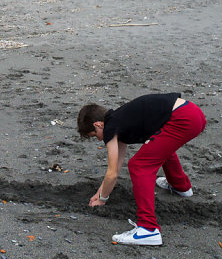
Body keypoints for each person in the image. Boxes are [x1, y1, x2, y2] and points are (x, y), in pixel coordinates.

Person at [77, 93, 206, 246]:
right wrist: (99, 193)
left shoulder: (111, 127)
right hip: (192, 113)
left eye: (95, 135)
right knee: (157, 149)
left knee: (139, 165)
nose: (99, 139)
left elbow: (111, 174)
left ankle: (148, 229)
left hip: (183, 117)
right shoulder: (119, 120)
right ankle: (181, 187)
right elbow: (115, 168)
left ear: (98, 125)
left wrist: (102, 200)